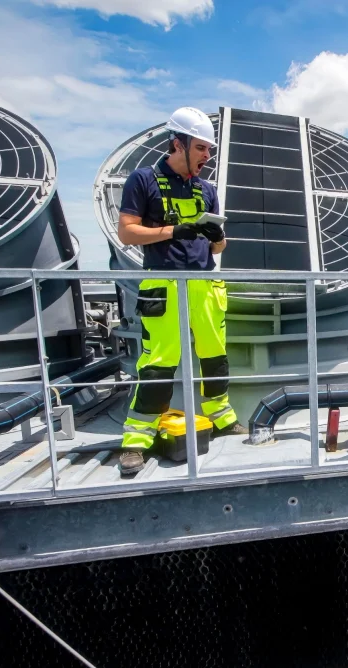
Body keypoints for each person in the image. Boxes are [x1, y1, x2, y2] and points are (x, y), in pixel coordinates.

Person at [116, 106, 246, 476]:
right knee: (158, 362)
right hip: (164, 284)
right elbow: (127, 232)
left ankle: (221, 419)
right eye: (201, 148)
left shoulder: (207, 190)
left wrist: (217, 238)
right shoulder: (144, 180)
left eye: (209, 149)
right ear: (178, 144)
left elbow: (218, 249)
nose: (208, 156)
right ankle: (137, 440)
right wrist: (175, 231)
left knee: (215, 356)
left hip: (205, 284)